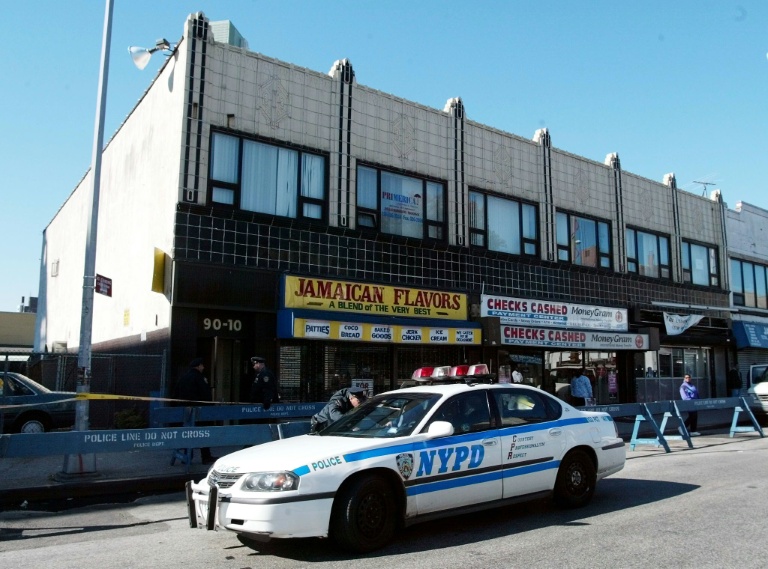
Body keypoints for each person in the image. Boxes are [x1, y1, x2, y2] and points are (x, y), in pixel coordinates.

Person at [172, 358, 216, 464]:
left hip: (185, 413)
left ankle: (187, 455)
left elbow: (175, 395)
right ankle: (206, 456)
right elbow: (206, 394)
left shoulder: (183, 377)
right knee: (203, 433)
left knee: (188, 433)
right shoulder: (200, 378)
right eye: (202, 366)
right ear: (198, 366)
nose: (203, 367)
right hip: (198, 411)